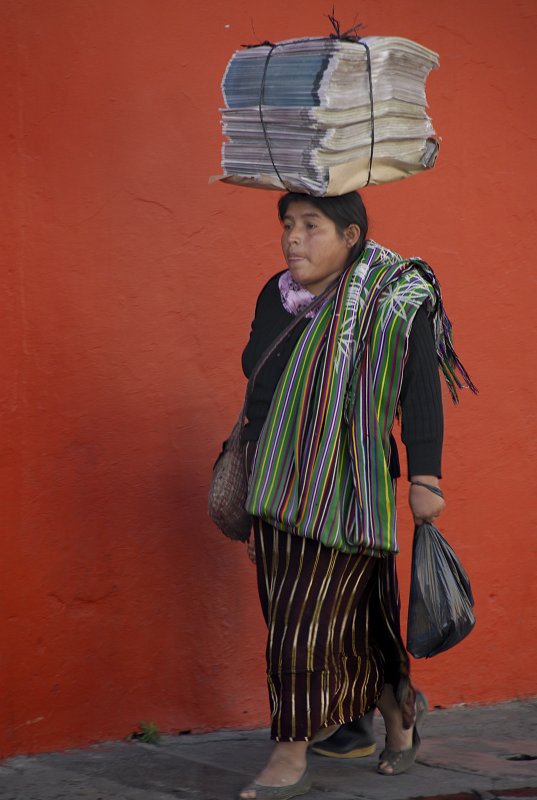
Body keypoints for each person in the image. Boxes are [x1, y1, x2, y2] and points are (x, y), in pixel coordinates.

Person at [238, 191, 474, 800]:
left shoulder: (395, 298)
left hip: (351, 488)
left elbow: (420, 388)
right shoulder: (279, 294)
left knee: (300, 622)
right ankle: (399, 718)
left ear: (350, 235)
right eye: (287, 225)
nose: (293, 239)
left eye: (311, 226)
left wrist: (426, 478)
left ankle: (289, 755)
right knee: (358, 621)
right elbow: (256, 379)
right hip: (276, 484)